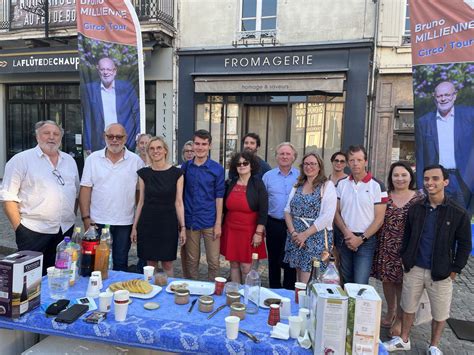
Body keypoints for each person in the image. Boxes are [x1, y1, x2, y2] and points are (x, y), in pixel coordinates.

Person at [383, 164, 472, 354]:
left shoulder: (458, 212)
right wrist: (405, 258)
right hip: (414, 267)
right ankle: (404, 339)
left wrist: (455, 269)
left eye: (435, 179)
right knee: (407, 306)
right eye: (427, 179)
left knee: (440, 313)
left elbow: (464, 245)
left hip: (440, 272)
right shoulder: (416, 208)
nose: (430, 183)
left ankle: (434, 345)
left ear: (445, 182)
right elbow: (407, 235)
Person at [0, 120, 80, 274]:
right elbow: (8, 197)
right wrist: (19, 229)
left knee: (61, 274)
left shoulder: (69, 161)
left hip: (64, 232)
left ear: (60, 138)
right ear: (37, 136)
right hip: (33, 231)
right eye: (46, 133)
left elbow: (75, 193)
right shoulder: (21, 160)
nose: (51, 137)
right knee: (31, 280)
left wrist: (70, 217)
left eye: (56, 134)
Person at [79, 123, 144, 272]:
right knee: (96, 264)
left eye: (119, 137)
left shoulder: (136, 161)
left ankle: (117, 294)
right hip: (97, 221)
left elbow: (140, 193)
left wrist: (137, 221)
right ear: (104, 137)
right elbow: (85, 190)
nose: (114, 140)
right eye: (110, 136)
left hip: (125, 222)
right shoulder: (93, 159)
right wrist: (86, 218)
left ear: (126, 138)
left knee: (121, 263)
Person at [371, 161, 424, 336]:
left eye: (403, 175)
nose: (399, 178)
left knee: (403, 284)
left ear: (410, 177)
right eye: (396, 175)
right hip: (386, 245)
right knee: (387, 281)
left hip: (408, 248)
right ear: (391, 178)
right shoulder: (385, 195)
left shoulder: (419, 198)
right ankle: (390, 312)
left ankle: (401, 319)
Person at [415, 81, 474, 214]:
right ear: (434, 98)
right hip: (436, 180)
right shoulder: (424, 122)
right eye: (439, 96)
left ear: (455, 96)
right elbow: (420, 157)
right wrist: (420, 186)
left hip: (463, 179)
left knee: (462, 219)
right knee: (437, 218)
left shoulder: (470, 116)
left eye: (447, 94)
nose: (443, 99)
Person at [131, 137, 186, 277]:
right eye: (152, 148)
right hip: (148, 223)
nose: (156, 151)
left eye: (159, 148)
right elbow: (141, 201)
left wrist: (183, 227)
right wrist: (134, 227)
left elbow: (178, 202)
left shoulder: (177, 173)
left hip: (168, 223)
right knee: (151, 264)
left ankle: (168, 295)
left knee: (168, 263)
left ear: (165, 150)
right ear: (148, 152)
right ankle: (150, 292)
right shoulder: (144, 174)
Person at [334, 145, 387, 284]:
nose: (355, 163)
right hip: (345, 238)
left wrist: (361, 239)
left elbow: (379, 219)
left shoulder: (377, 186)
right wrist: (346, 233)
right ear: (348, 163)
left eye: (359, 159)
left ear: (366, 161)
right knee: (345, 280)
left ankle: (358, 307)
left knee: (360, 283)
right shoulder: (341, 184)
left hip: (366, 241)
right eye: (352, 160)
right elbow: (335, 212)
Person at [283, 152, 337, 283]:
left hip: (315, 238)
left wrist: (305, 235)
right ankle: (300, 303)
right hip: (296, 238)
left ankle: (307, 304)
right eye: (306, 164)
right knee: (299, 279)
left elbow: (327, 217)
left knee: (309, 280)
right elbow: (287, 211)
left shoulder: (327, 186)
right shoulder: (298, 185)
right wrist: (294, 233)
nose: (309, 166)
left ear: (319, 167)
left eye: (313, 163)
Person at [181, 129, 225, 281]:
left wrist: (218, 223)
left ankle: (213, 291)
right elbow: (180, 195)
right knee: (192, 261)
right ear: (193, 145)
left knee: (213, 261)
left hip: (210, 221)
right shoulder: (185, 167)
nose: (200, 147)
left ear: (210, 146)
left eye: (204, 144)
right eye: (197, 144)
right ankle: (193, 289)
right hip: (190, 220)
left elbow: (219, 197)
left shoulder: (217, 169)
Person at [221, 151, 268, 283]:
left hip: (250, 231)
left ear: (251, 165)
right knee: (234, 264)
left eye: (245, 163)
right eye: (238, 164)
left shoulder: (258, 184)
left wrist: (259, 232)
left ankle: (247, 296)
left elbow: (263, 210)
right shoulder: (230, 183)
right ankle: (235, 296)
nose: (242, 166)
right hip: (231, 228)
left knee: (246, 266)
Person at [82, 57, 140, 153]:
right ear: (98, 70)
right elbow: (87, 117)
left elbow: (136, 112)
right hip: (99, 142)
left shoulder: (127, 87)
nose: (106, 72)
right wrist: (88, 144)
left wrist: (138, 135)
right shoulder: (89, 89)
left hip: (124, 140)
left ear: (115, 71)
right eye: (102, 69)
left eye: (108, 69)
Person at [262, 142, 299, 289]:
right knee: (273, 259)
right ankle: (275, 290)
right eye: (281, 154)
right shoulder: (268, 176)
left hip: (294, 225)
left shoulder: (300, 176)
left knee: (291, 259)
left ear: (293, 157)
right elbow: (263, 202)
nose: (284, 156)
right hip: (273, 223)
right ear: (276, 157)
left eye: (288, 154)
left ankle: (289, 289)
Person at [179, 140, 195, 278]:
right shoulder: (179, 169)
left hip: (193, 213)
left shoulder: (197, 168)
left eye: (192, 151)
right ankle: (186, 274)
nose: (189, 153)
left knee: (192, 250)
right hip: (180, 211)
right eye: (187, 151)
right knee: (184, 248)